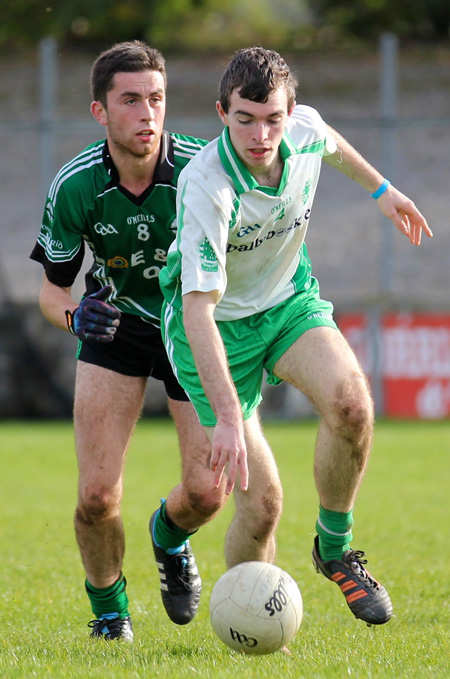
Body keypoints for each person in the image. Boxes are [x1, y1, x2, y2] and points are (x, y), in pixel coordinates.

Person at [152, 46, 433, 627]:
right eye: (245, 119)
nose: (261, 134)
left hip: (286, 302)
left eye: (273, 118)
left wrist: (385, 193)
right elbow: (198, 311)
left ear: (291, 110)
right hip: (215, 329)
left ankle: (334, 551)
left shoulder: (301, 129)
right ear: (222, 114)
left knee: (352, 404)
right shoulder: (207, 186)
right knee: (261, 507)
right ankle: (244, 618)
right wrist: (228, 417)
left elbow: (330, 143)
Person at [30, 41, 215, 640]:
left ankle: (168, 536)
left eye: (156, 99)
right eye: (130, 100)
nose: (147, 114)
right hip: (115, 328)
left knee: (208, 492)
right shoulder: (75, 186)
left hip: (192, 328)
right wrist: (74, 318)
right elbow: (52, 293)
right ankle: (110, 615)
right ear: (100, 112)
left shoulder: (201, 171)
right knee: (95, 497)